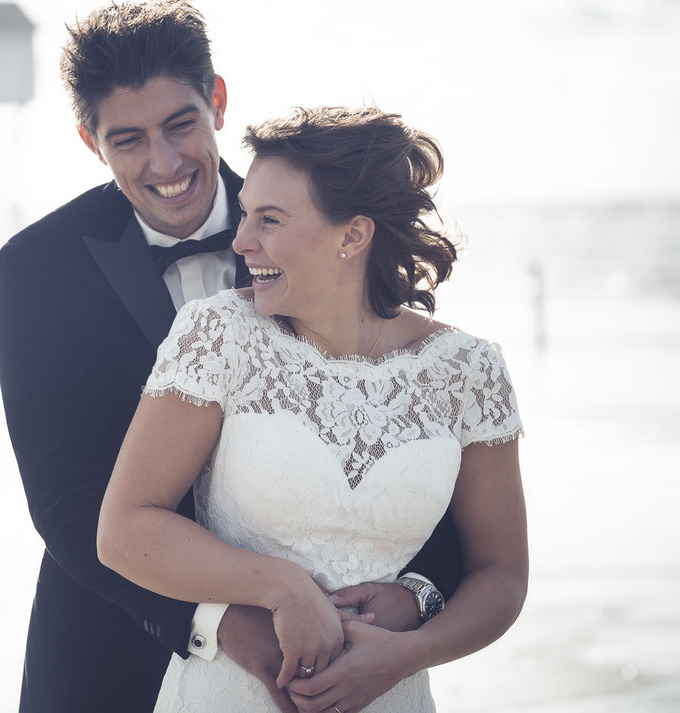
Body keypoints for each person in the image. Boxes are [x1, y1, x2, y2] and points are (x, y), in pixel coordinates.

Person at [0, 3, 463, 711]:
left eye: (180, 124)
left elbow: (421, 447)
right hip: (106, 651)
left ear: (216, 99)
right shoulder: (38, 267)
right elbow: (64, 501)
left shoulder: (325, 230)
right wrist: (218, 619)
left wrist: (416, 596)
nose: (165, 162)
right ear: (92, 142)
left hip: (337, 654)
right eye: (128, 139)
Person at [97, 106, 528, 713]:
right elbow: (124, 531)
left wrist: (411, 652)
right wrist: (281, 587)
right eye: (246, 215)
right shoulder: (217, 335)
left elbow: (502, 575)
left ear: (352, 236)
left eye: (269, 220)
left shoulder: (469, 371)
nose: (241, 240)